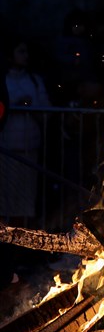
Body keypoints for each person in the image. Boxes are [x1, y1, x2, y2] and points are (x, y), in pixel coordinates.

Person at [0, 40, 52, 225]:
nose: (25, 56)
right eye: (21, 52)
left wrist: (34, 108)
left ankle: (24, 241)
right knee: (6, 196)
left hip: (30, 146)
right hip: (7, 147)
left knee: (26, 197)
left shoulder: (34, 81)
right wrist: (16, 104)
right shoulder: (4, 80)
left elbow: (46, 108)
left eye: (26, 52)